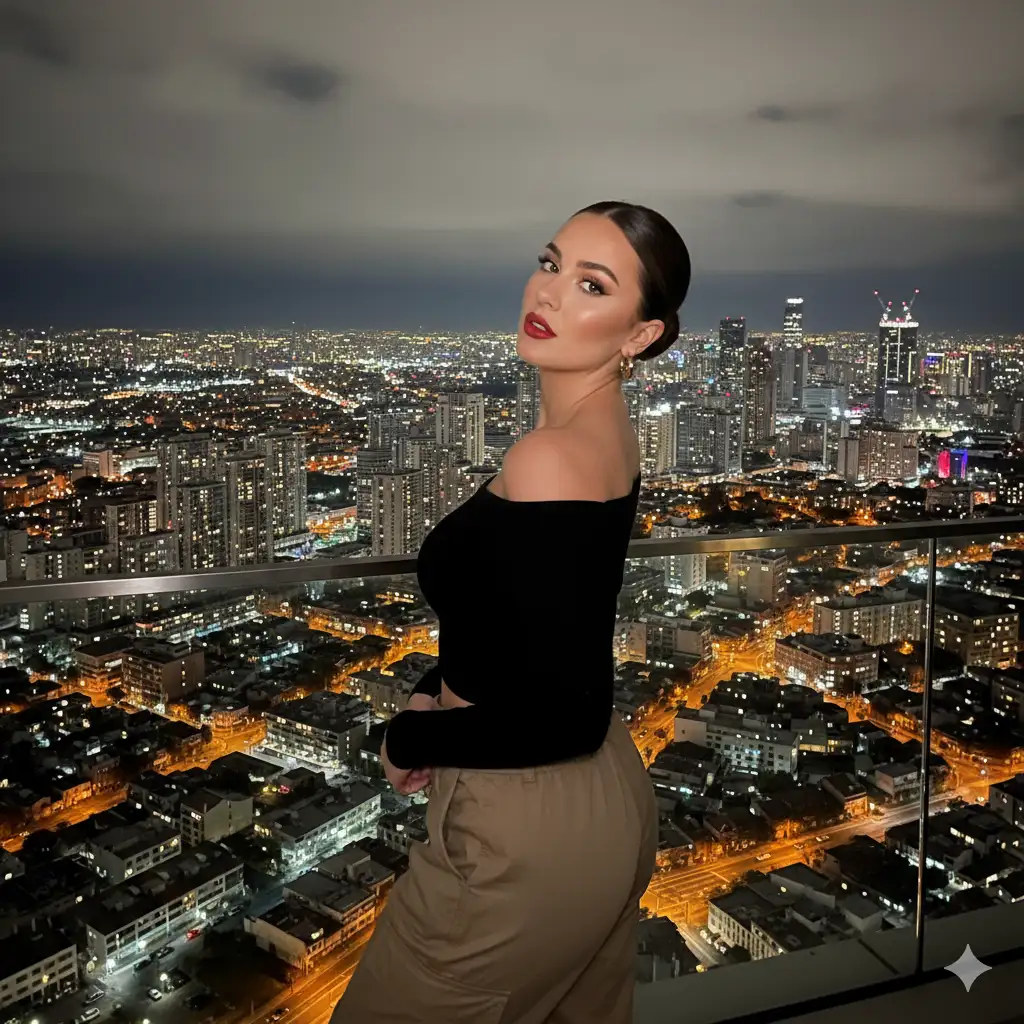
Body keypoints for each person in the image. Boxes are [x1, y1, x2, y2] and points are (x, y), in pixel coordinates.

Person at [331, 200, 691, 1023]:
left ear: (640, 334)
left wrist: (408, 737)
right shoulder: (605, 433)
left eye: (593, 285)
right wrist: (431, 688)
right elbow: (526, 623)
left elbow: (565, 714)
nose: (550, 292)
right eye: (551, 262)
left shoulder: (549, 457)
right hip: (601, 798)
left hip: (525, 815)